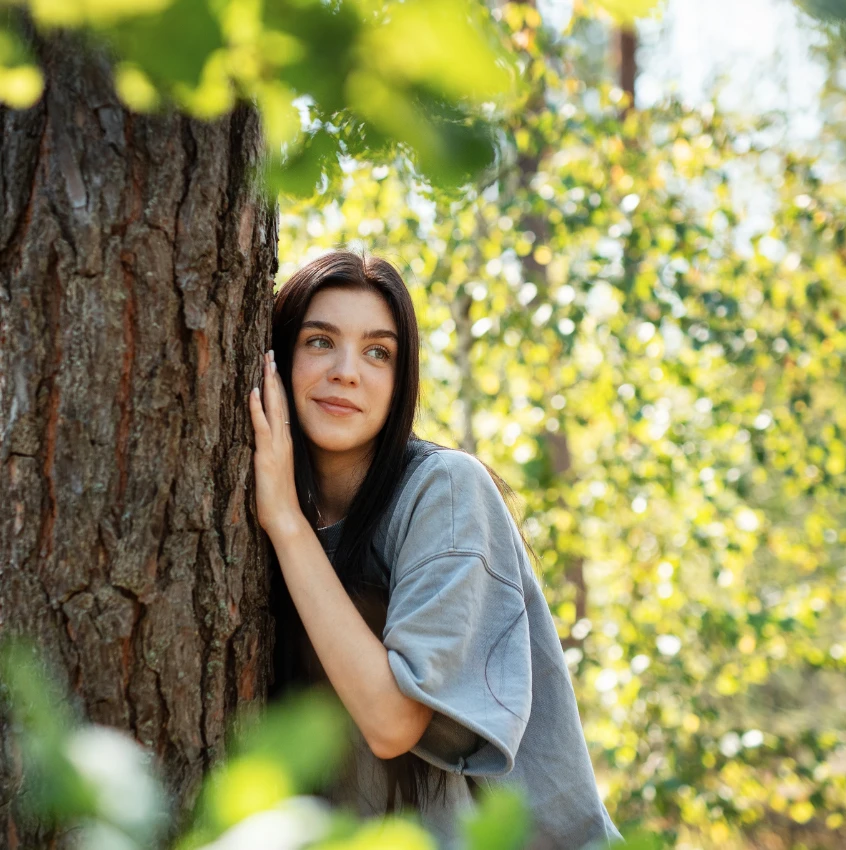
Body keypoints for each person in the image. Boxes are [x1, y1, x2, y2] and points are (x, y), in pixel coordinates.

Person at [249, 249, 622, 850]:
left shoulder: (445, 490)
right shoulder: (265, 508)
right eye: (320, 341)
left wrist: (285, 522)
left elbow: (393, 722)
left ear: (401, 383)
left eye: (378, 352)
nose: (347, 370)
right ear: (276, 359)